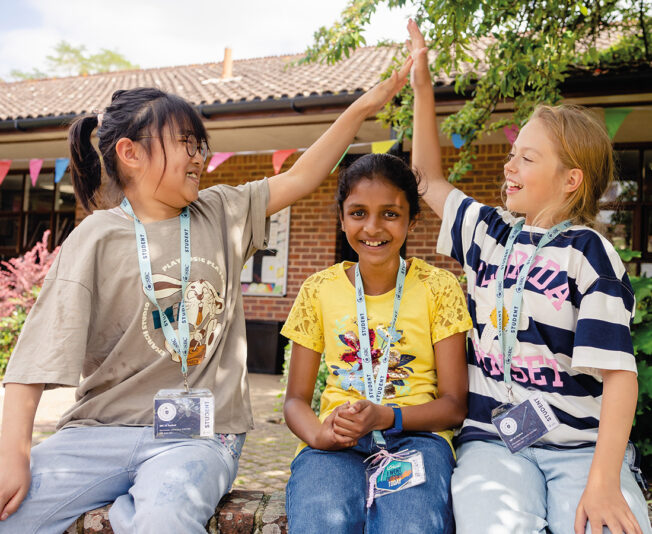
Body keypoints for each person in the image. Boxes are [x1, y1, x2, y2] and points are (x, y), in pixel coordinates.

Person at [0, 58, 413, 534]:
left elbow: (301, 178)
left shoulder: (221, 212)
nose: (198, 156)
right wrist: (14, 454)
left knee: (165, 520)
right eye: (184, 144)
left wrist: (361, 108)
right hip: (100, 432)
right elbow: (36, 355)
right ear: (130, 153)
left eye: (201, 145)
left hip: (197, 438)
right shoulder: (94, 236)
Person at [407, 19, 651, 534]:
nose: (508, 165)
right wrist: (423, 87)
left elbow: (619, 378)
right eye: (513, 153)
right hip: (496, 444)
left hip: (582, 451)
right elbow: (426, 179)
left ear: (570, 180)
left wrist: (605, 480)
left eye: (526, 157)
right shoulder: (488, 233)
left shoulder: (591, 255)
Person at [281, 152, 473, 534]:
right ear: (341, 219)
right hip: (338, 443)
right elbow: (295, 401)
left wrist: (389, 417)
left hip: (418, 441)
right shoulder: (318, 290)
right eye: (357, 213)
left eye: (390, 213)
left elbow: (454, 406)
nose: (372, 227)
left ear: (412, 220)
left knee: (409, 526)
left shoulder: (439, 288)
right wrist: (320, 435)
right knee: (320, 523)